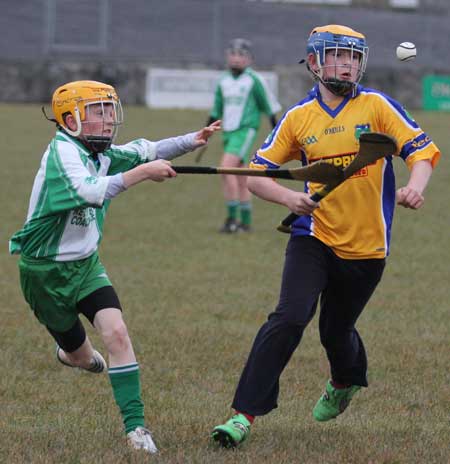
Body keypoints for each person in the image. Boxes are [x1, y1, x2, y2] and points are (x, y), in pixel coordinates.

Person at [211, 25, 440, 448]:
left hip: (369, 246)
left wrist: (415, 186)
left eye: (354, 57)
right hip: (312, 236)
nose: (347, 65)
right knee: (289, 317)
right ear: (315, 63)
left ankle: (345, 379)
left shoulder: (377, 106)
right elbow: (258, 176)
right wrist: (288, 199)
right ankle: (242, 416)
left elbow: (421, 152)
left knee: (337, 331)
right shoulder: (299, 118)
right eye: (338, 56)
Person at [9, 80, 220, 455]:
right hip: (44, 273)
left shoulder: (98, 150)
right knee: (82, 356)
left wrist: (193, 139)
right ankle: (76, 356)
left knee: (118, 333)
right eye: (98, 112)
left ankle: (136, 429)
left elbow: (146, 149)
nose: (108, 121)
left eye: (110, 111)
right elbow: (94, 190)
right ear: (71, 119)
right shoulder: (62, 153)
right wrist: (145, 174)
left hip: (86, 266)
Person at [207, 38, 281, 233]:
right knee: (240, 177)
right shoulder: (223, 81)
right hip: (228, 133)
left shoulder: (254, 80)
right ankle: (246, 223)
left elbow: (269, 107)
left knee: (225, 169)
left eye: (242, 55)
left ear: (250, 59)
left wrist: (277, 134)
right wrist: (206, 133)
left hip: (245, 131)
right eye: (233, 54)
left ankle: (231, 219)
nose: (236, 58)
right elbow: (216, 110)